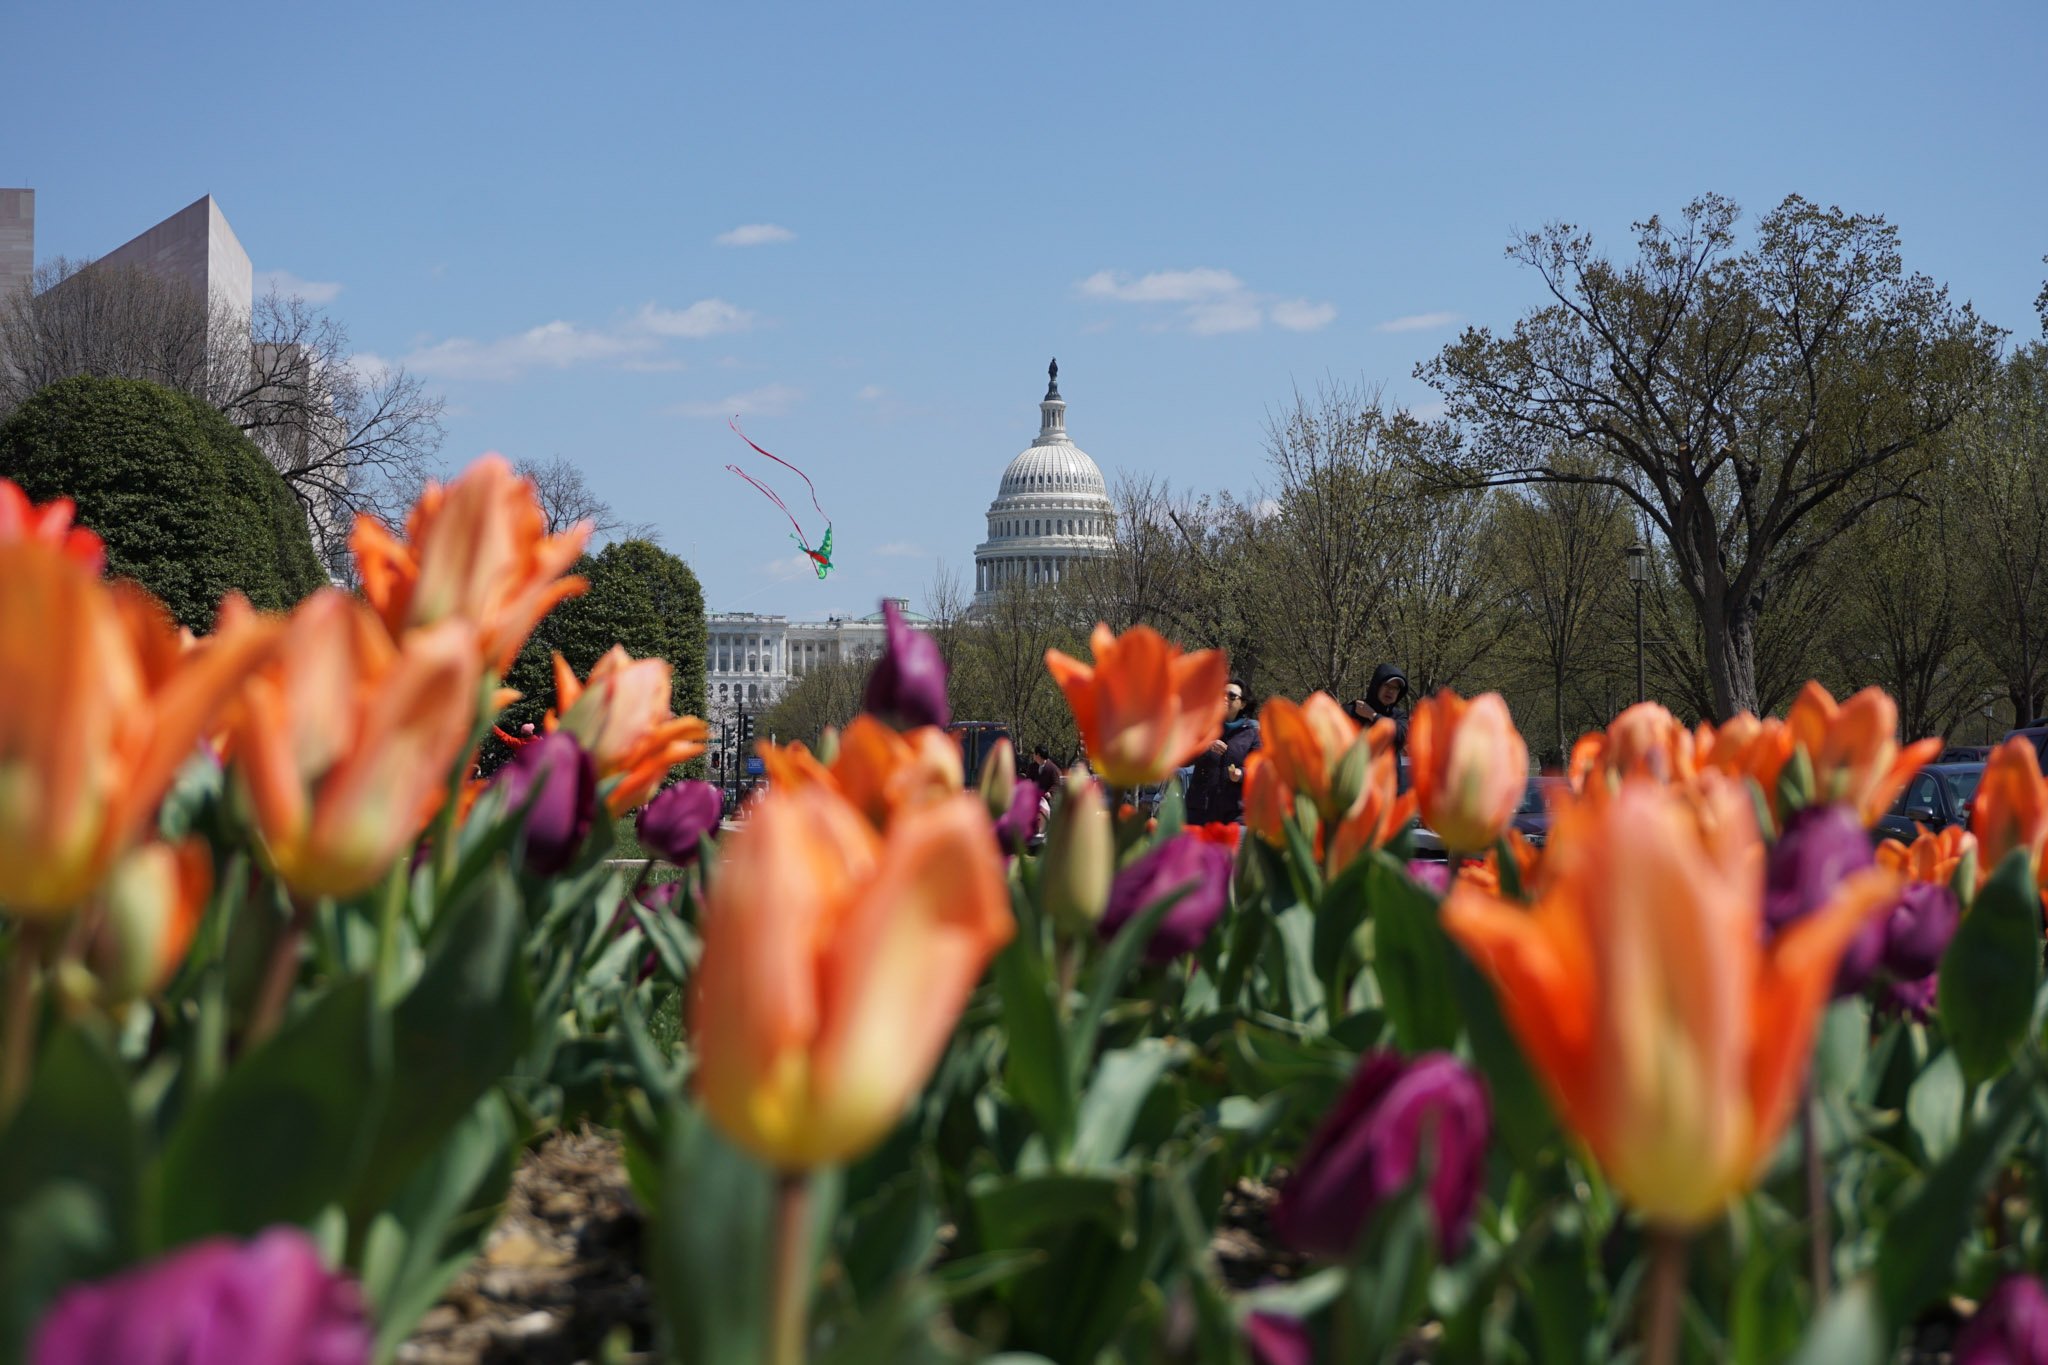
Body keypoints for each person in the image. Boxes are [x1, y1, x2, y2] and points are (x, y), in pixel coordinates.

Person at [1186, 678, 1260, 824]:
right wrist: (1205, 746)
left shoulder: (1252, 733)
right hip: (1200, 815)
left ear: (1243, 704)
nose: (1225, 699)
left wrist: (1242, 774)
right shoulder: (1203, 727)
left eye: (1232, 696)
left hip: (1235, 816)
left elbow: (1260, 769)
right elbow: (1183, 759)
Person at [1348, 663, 1410, 791]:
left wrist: (1373, 716)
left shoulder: (1399, 716)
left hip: (1392, 788)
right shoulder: (1354, 711)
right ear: (1377, 686)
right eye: (1387, 685)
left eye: (1396, 688)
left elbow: (1400, 736)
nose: (1391, 691)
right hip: (1358, 788)